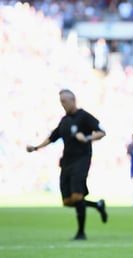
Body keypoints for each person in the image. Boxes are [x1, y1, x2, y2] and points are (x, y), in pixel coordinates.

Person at [26, 89, 108, 240]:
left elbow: (102, 132)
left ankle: (81, 233)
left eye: (64, 101)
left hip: (81, 160)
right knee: (68, 201)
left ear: (73, 100)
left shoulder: (84, 116)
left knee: (77, 196)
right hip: (66, 162)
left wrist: (87, 137)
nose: (62, 104)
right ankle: (98, 205)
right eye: (61, 102)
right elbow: (52, 138)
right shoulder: (64, 121)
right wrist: (36, 147)